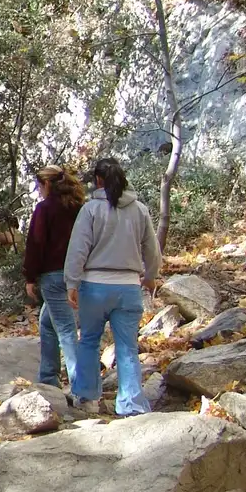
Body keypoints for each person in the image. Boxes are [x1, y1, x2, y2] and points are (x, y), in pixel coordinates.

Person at [64, 157, 162, 415]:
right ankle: (130, 404)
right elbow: (152, 249)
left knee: (89, 341)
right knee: (127, 347)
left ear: (97, 180)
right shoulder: (139, 209)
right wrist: (150, 275)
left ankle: (87, 398)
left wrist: (71, 283)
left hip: (93, 286)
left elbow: (78, 250)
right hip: (128, 287)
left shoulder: (90, 210)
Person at [23, 165, 87, 387]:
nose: (39, 190)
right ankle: (49, 378)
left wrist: (30, 277)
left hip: (53, 276)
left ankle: (83, 387)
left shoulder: (44, 209)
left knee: (66, 330)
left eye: (39, 186)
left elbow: (36, 244)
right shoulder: (79, 207)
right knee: (47, 323)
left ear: (47, 184)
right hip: (78, 273)